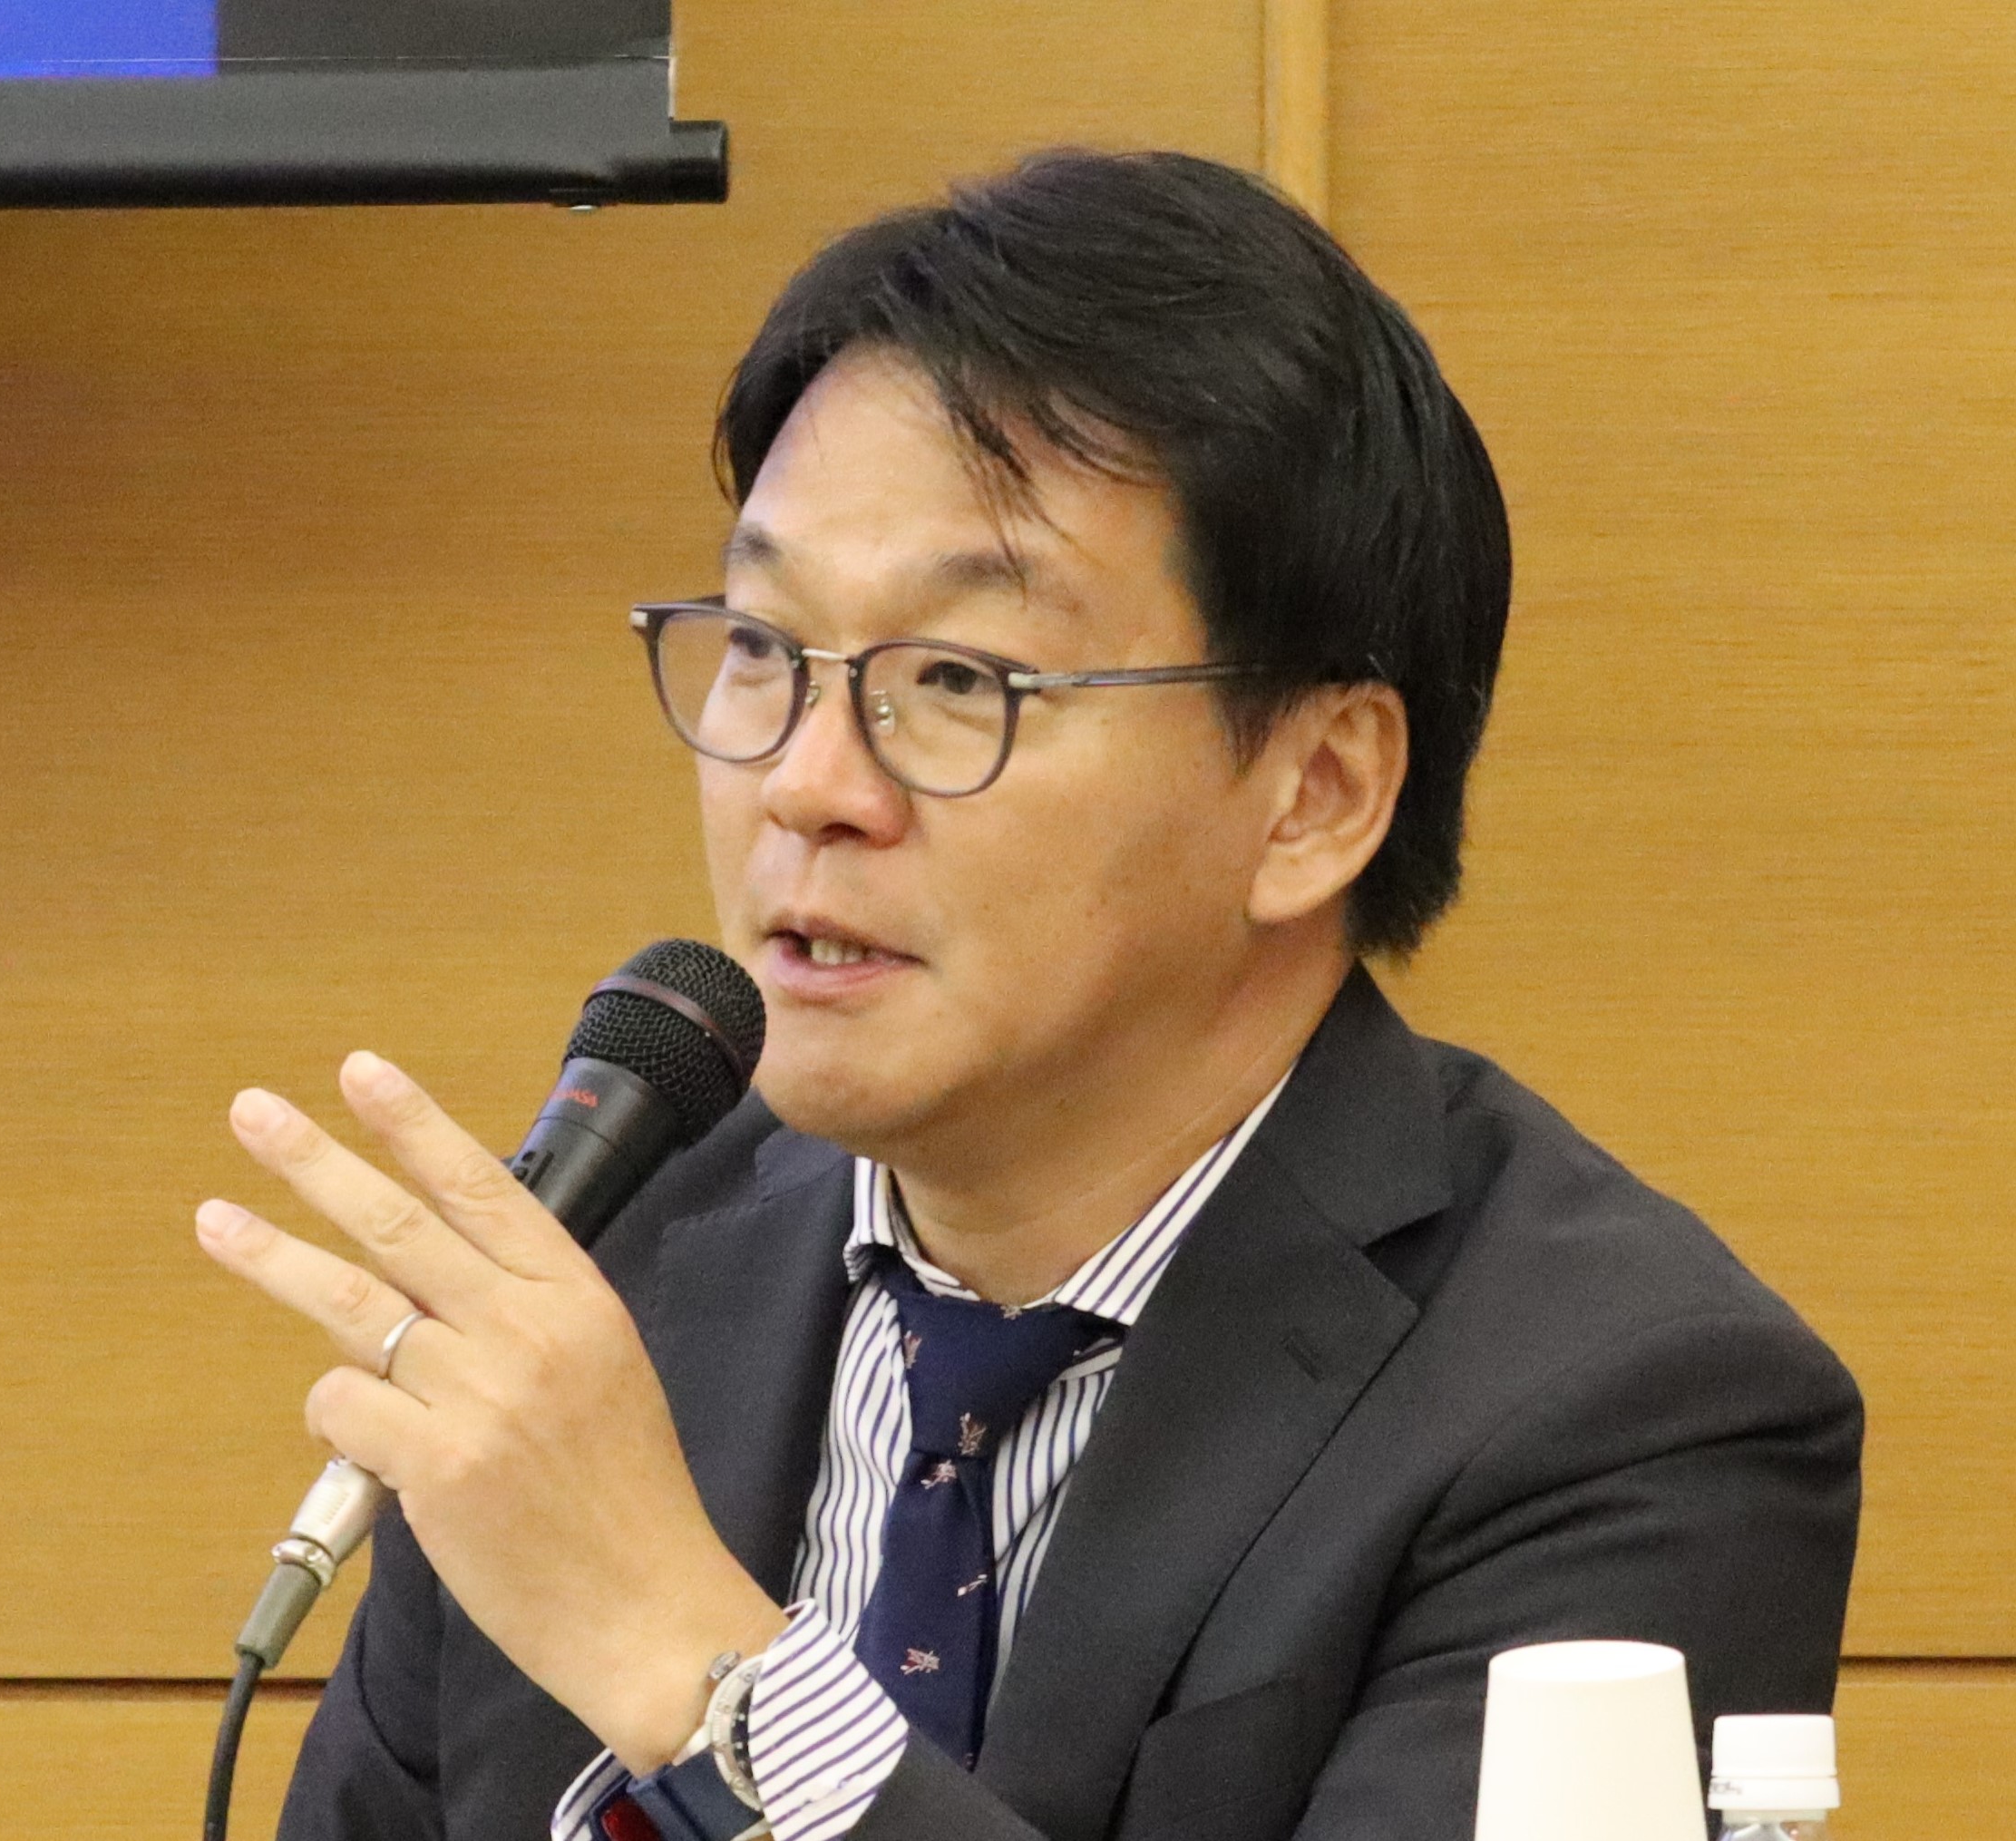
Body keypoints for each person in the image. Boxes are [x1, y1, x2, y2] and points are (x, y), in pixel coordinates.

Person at [193, 150, 1862, 1841]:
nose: (807, 784)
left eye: (957, 678)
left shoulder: (1622, 1406)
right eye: (763, 646)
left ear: (1317, 792)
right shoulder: (608, 1281)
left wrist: (693, 1664)